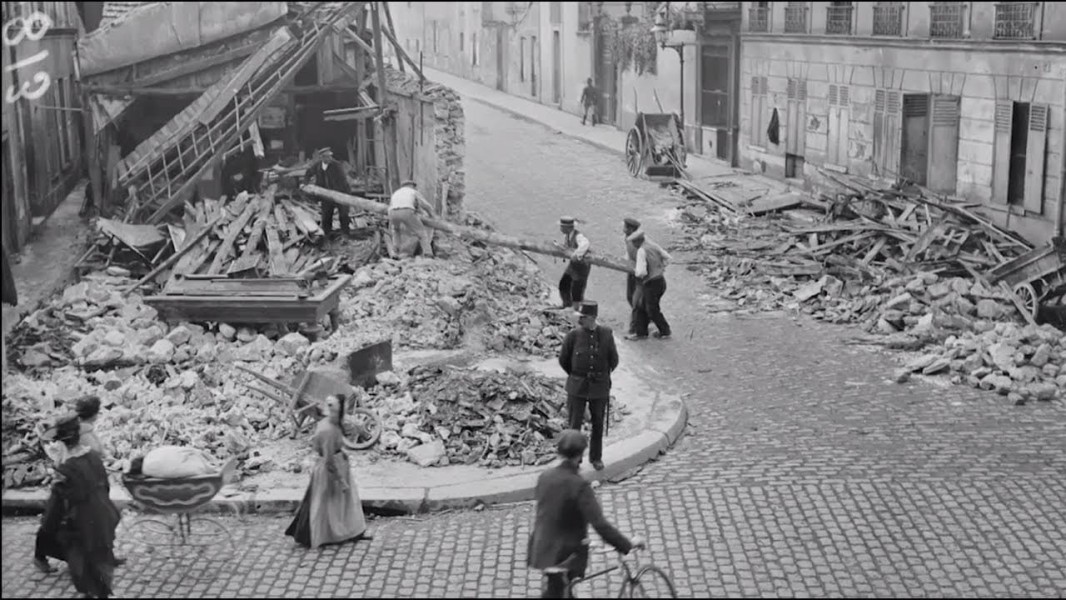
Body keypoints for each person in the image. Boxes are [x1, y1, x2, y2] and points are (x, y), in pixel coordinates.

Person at [527, 430, 643, 598]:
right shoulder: (578, 485)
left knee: (559, 592)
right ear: (580, 456)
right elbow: (600, 524)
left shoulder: (545, 477)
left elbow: (550, 512)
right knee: (558, 592)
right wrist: (626, 544)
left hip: (542, 550)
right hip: (564, 556)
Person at [34, 414, 122, 598]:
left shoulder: (65, 471)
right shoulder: (93, 457)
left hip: (81, 524)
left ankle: (92, 593)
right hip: (104, 515)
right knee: (101, 562)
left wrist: (49, 526)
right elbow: (105, 486)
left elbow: (55, 508)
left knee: (83, 567)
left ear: (61, 442)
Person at [285, 393, 372, 549]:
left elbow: (331, 447)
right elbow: (328, 460)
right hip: (330, 470)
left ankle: (347, 531)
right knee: (333, 504)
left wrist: (341, 451)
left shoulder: (331, 423)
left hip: (336, 464)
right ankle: (344, 532)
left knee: (334, 504)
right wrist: (342, 480)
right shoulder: (327, 429)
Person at [558, 302, 618, 471]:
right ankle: (574, 459)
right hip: (577, 386)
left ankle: (596, 457)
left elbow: (614, 360)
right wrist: (577, 375)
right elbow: (564, 360)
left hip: (599, 386)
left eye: (583, 318)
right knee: (574, 424)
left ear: (591, 318)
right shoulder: (573, 336)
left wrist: (601, 376)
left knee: (598, 423)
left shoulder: (606, 334)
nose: (580, 320)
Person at [625, 231, 672, 341]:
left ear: (637, 242)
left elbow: (641, 272)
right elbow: (667, 257)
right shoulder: (652, 246)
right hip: (660, 280)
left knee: (650, 308)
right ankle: (641, 331)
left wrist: (634, 271)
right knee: (644, 306)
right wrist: (659, 267)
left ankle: (664, 331)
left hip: (651, 283)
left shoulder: (641, 251)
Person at [305, 147, 352, 237]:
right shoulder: (318, 165)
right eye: (326, 157)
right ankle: (327, 234)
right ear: (322, 158)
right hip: (325, 194)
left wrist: (335, 194)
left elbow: (342, 181)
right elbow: (309, 172)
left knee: (343, 214)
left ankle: (345, 234)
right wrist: (305, 183)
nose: (329, 159)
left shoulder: (336, 165)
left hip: (341, 193)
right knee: (326, 215)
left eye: (330, 156)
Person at [387, 180, 437, 258]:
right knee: (421, 233)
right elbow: (425, 205)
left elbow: (391, 205)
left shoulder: (396, 193)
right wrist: (432, 216)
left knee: (396, 231)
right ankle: (428, 253)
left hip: (392, 212)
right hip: (406, 211)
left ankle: (395, 251)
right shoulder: (413, 192)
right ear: (412, 186)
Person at [555, 217, 592, 309]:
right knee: (564, 284)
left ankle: (576, 310)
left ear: (567, 227)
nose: (560, 229)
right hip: (573, 265)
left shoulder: (578, 236)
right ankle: (567, 304)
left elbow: (585, 244)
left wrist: (577, 254)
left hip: (581, 267)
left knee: (577, 290)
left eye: (561, 227)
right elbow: (568, 247)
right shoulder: (567, 236)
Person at [621, 218, 642, 336]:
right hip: (631, 270)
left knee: (635, 300)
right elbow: (629, 253)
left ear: (631, 229)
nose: (623, 229)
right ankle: (644, 319)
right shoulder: (627, 238)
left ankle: (634, 328)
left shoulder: (636, 240)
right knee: (630, 296)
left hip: (639, 272)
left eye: (625, 227)